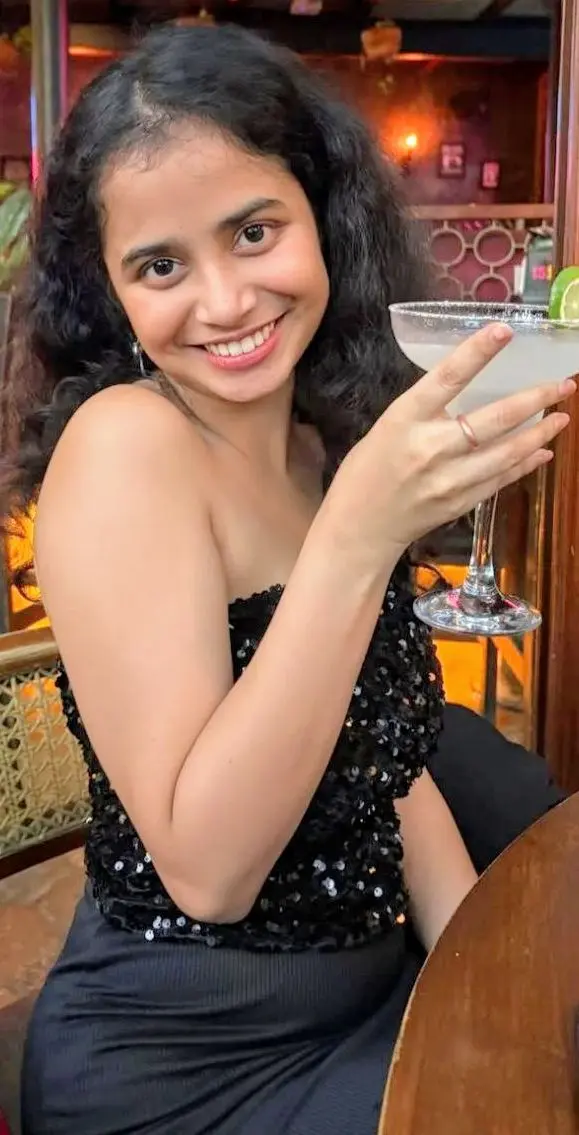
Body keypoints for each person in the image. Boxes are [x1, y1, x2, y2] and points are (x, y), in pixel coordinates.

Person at [1, 24, 571, 1135]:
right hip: (188, 1065)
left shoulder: (319, 437)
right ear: (110, 291)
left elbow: (386, 759)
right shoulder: (127, 448)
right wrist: (355, 539)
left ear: (324, 217)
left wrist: (486, 981)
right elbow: (208, 873)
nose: (223, 302)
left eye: (253, 231)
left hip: (368, 994)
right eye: (160, 266)